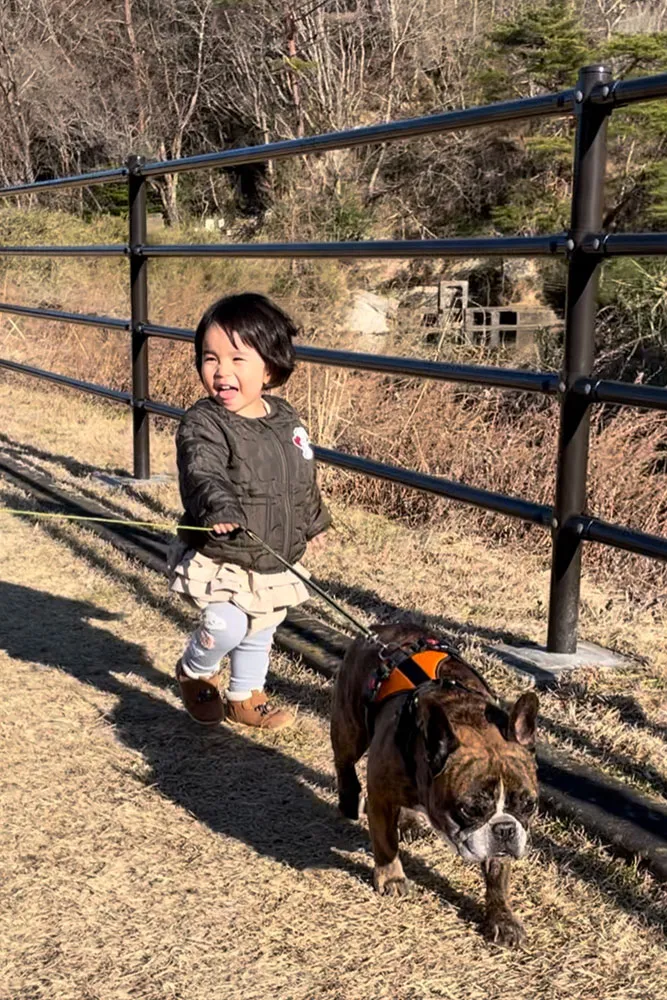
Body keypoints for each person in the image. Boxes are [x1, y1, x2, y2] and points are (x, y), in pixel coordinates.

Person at [168, 292, 330, 730]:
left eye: (237, 359)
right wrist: (217, 506)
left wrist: (314, 522)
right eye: (210, 359)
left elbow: (301, 477)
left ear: (270, 367)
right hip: (225, 551)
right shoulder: (203, 422)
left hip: (273, 551)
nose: (221, 372)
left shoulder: (286, 419)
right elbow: (201, 470)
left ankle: (245, 695)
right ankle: (194, 669)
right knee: (226, 624)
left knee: (261, 627)